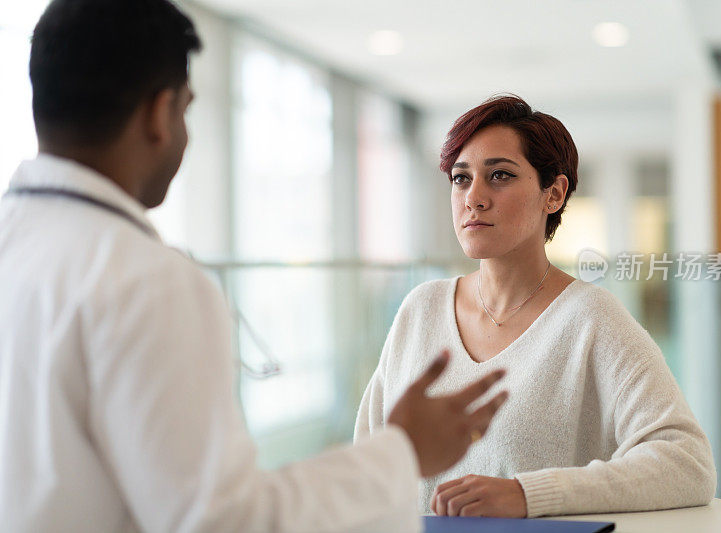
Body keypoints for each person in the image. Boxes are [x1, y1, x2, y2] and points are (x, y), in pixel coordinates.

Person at [0, 1, 509, 532]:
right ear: (159, 112)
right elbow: (224, 522)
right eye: (186, 111)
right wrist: (402, 452)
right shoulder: (147, 280)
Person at [355, 95, 717, 518]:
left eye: (500, 176)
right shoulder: (420, 309)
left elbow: (687, 462)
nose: (474, 197)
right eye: (460, 178)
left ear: (554, 194)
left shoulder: (591, 318)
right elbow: (367, 459)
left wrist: (529, 494)